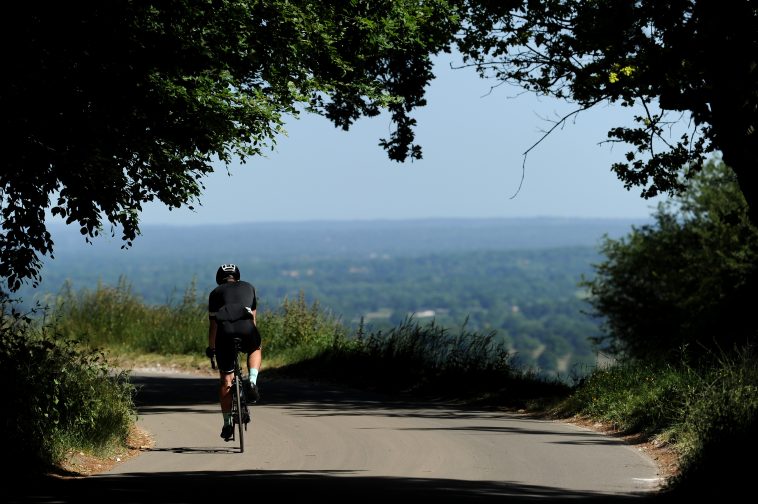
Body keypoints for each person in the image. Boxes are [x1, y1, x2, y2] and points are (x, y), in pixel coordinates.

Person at [206, 263, 262, 441]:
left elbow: (213, 326)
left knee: (226, 379)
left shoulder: (215, 293)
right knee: (255, 348)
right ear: (237, 277)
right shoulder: (249, 287)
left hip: (225, 333)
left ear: (219, 279)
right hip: (247, 329)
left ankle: (227, 423)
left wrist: (212, 348)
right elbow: (253, 319)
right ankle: (252, 381)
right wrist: (253, 337)